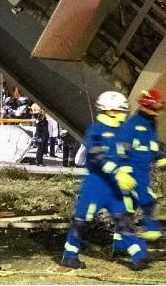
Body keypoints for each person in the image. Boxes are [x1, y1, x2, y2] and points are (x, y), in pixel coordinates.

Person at [60, 91, 148, 271]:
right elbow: (98, 157)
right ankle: (70, 255)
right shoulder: (96, 131)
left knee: (124, 220)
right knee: (81, 221)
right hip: (95, 187)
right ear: (110, 111)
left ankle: (138, 255)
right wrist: (118, 173)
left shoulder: (123, 131)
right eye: (121, 111)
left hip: (116, 188)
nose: (124, 114)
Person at [119, 89, 166, 244]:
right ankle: (153, 237)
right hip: (133, 171)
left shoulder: (151, 124)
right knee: (148, 201)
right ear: (144, 107)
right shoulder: (133, 125)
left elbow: (154, 148)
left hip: (144, 171)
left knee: (131, 206)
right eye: (154, 109)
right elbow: (122, 149)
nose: (157, 113)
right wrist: (124, 172)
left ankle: (121, 240)